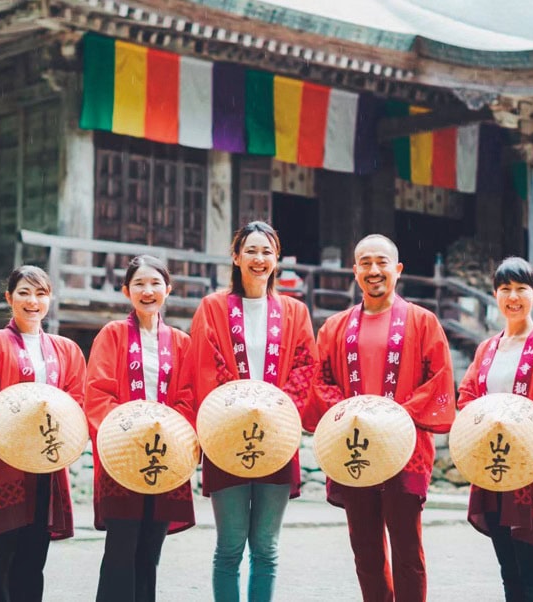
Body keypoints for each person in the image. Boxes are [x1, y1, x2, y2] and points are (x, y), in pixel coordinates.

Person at [308, 234, 455, 602]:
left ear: (398, 269)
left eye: (382, 263)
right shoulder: (335, 328)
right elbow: (320, 381)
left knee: (407, 548)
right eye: (366, 263)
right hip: (353, 449)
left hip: (403, 450)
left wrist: (389, 420)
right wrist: (353, 416)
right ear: (355, 271)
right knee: (365, 549)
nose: (374, 271)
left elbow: (438, 381)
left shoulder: (423, 322)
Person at [187, 221, 319, 602]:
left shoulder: (294, 311)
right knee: (229, 548)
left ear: (277, 259)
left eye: (267, 252)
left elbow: (305, 366)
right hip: (227, 435)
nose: (259, 259)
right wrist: (239, 408)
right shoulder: (213, 307)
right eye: (251, 251)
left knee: (266, 548)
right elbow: (204, 363)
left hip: (277, 437)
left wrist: (275, 410)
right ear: (236, 256)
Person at [0, 265, 86, 602]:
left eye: (41, 293)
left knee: (32, 561)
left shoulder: (67, 350)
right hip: (1, 466)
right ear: (9, 298)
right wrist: (14, 432)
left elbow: (75, 404)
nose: (33, 301)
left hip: (44, 467)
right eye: (24, 293)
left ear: (50, 299)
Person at [85, 255, 196, 601]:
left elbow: (188, 398)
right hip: (122, 454)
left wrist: (171, 435)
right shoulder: (113, 335)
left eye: (155, 284)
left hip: (165, 457)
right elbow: (98, 393)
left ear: (168, 289)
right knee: (120, 550)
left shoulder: (181, 341)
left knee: (150, 552)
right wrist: (128, 435)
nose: (148, 291)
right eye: (139, 284)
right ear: (126, 291)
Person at [457, 257, 533, 601]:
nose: (513, 296)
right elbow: (467, 396)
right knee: (509, 569)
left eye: (521, 288)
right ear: (495, 295)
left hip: (530, 471)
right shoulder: (487, 349)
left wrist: (516, 430)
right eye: (505, 289)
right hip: (493, 466)